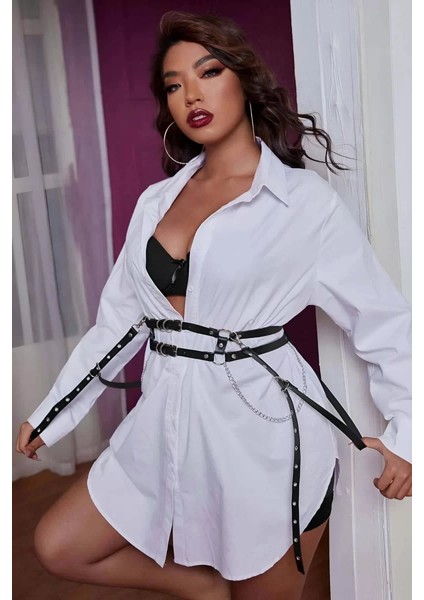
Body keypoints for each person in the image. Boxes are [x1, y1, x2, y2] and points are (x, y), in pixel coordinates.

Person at [15, 10, 411, 600]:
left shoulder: (304, 204)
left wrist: (408, 433)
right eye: (174, 85)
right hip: (167, 420)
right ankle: (202, 590)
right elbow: (119, 322)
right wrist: (54, 414)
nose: (191, 95)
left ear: (243, 80)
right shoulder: (157, 202)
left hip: (266, 435)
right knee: (59, 544)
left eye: (209, 72)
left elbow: (383, 321)